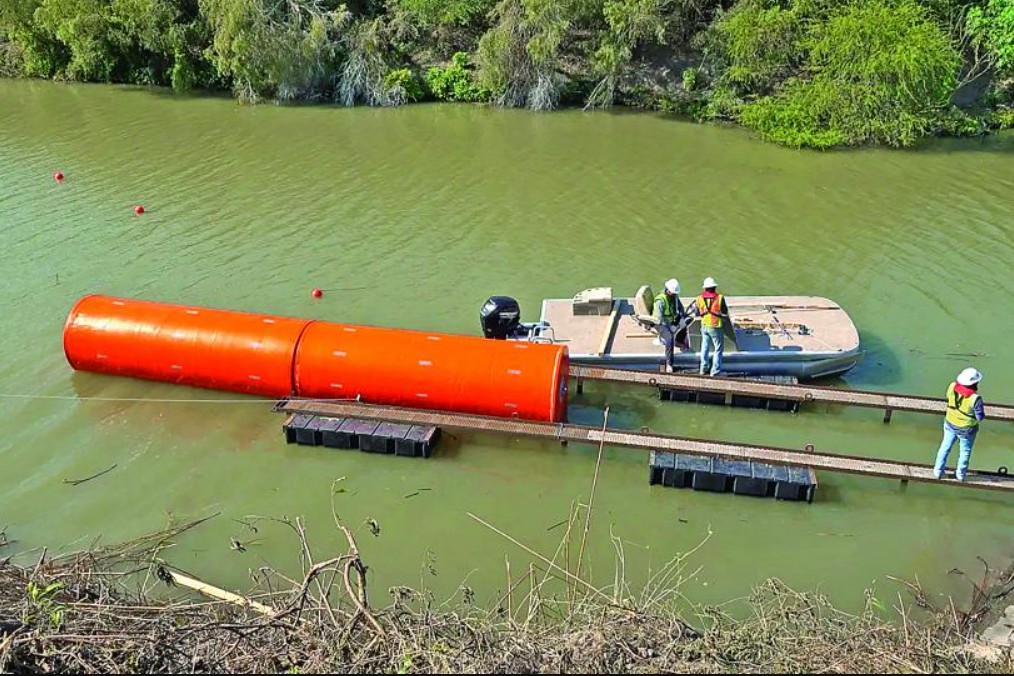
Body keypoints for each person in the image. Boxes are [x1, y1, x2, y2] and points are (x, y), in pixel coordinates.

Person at [933, 367, 985, 481]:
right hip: (967, 428)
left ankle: (937, 471)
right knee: (965, 451)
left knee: (945, 447)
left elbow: (948, 397)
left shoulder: (952, 387)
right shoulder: (975, 399)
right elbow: (980, 417)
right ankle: (960, 475)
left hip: (950, 422)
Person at [692, 277, 730, 376]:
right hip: (715, 326)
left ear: (705, 288)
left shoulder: (699, 298)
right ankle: (715, 371)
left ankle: (703, 368)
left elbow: (696, 313)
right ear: (714, 287)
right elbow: (725, 313)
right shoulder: (720, 298)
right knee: (718, 349)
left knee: (705, 347)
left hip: (704, 325)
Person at [654, 278, 688, 373]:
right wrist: (670, 325)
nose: (674, 294)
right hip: (662, 323)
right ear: (668, 290)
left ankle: (679, 341)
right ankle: (669, 363)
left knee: (684, 325)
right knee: (669, 339)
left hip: (673, 319)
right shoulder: (660, 301)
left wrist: (681, 316)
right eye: (673, 293)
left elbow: (680, 307)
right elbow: (659, 318)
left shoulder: (675, 296)